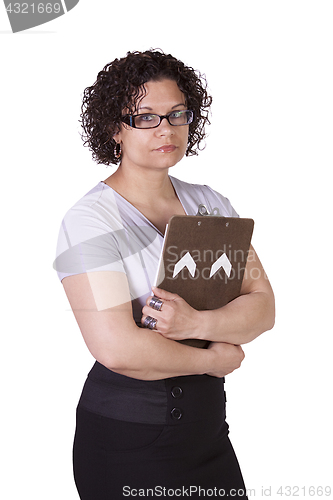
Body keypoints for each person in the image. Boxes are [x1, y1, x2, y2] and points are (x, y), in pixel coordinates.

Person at [54, 49, 275, 500]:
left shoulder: (209, 205)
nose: (165, 129)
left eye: (176, 114)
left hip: (208, 432)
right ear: (115, 128)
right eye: (145, 117)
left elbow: (263, 306)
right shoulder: (90, 221)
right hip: (129, 438)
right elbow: (116, 347)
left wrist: (197, 324)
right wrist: (213, 359)